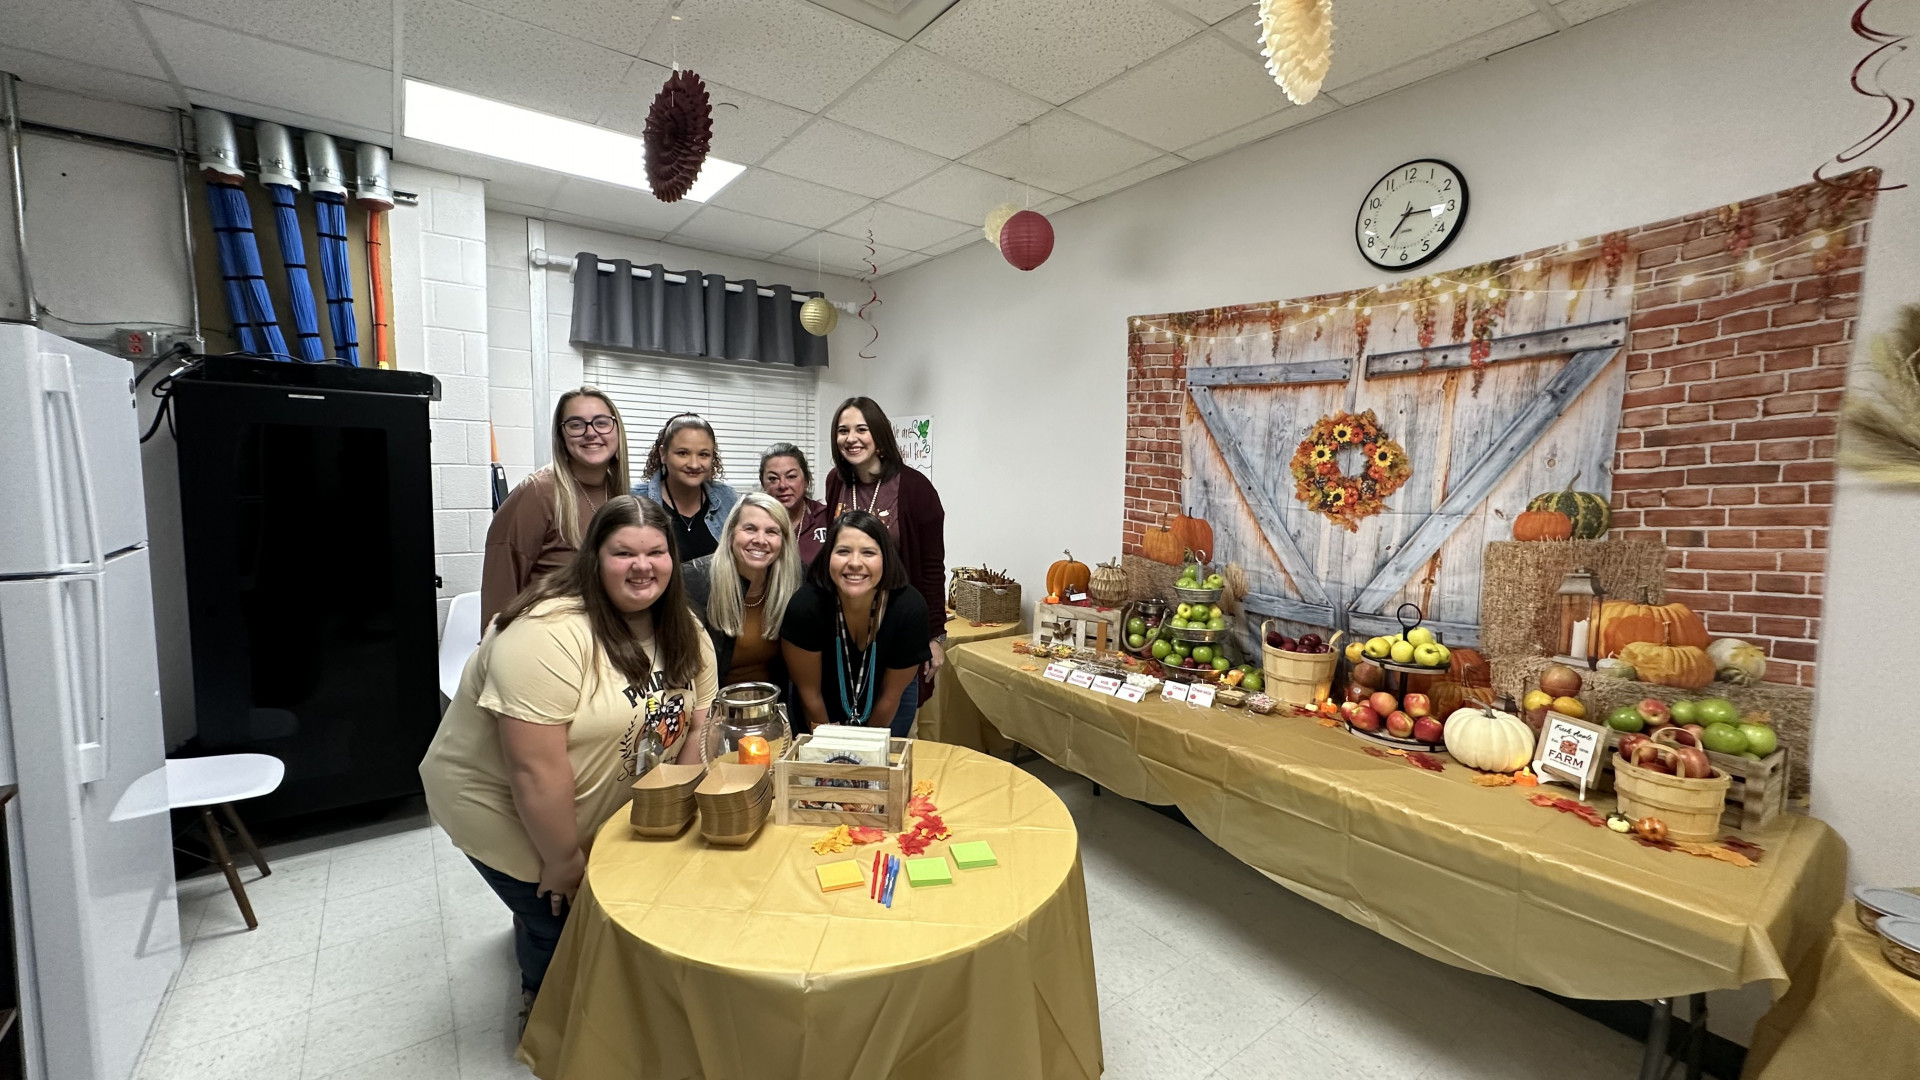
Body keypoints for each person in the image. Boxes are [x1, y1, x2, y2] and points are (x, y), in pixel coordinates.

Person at [420, 496, 717, 1009]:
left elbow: (699, 726)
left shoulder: (683, 628)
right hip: (501, 806)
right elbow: (534, 770)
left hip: (585, 799)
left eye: (656, 552)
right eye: (624, 553)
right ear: (593, 558)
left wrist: (676, 814)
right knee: (557, 920)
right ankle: (543, 1008)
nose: (643, 566)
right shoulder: (545, 632)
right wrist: (561, 861)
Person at [479, 387, 631, 630]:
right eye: (576, 425)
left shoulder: (620, 495)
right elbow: (500, 586)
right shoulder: (537, 493)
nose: (591, 433)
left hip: (607, 637)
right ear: (561, 436)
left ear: (617, 430)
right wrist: (495, 643)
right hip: (548, 637)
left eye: (602, 423)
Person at [821, 398, 947, 690]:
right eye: (843, 430)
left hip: (898, 622)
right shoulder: (836, 481)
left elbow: (931, 568)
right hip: (844, 624)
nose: (851, 438)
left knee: (896, 707)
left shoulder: (916, 488)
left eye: (861, 429)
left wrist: (934, 636)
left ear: (879, 435)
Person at [781, 511, 931, 736]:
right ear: (828, 556)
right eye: (843, 551)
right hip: (819, 706)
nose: (854, 563)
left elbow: (890, 696)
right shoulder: (805, 606)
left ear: (886, 558)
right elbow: (810, 694)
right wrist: (831, 748)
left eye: (868, 552)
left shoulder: (909, 607)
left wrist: (863, 749)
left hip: (886, 704)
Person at [681, 492, 803, 692]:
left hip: (771, 703)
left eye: (772, 532)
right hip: (711, 704)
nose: (760, 540)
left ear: (784, 541)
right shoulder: (692, 582)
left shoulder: (797, 583)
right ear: (731, 533)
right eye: (750, 529)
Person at [632, 412, 737, 561]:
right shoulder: (636, 500)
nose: (694, 464)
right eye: (683, 453)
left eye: (703, 454)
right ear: (663, 454)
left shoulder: (727, 499)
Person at [759, 442, 831, 564]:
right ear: (763, 483)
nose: (783, 485)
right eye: (773, 478)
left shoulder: (826, 517)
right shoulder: (756, 521)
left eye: (791, 476)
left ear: (806, 480)